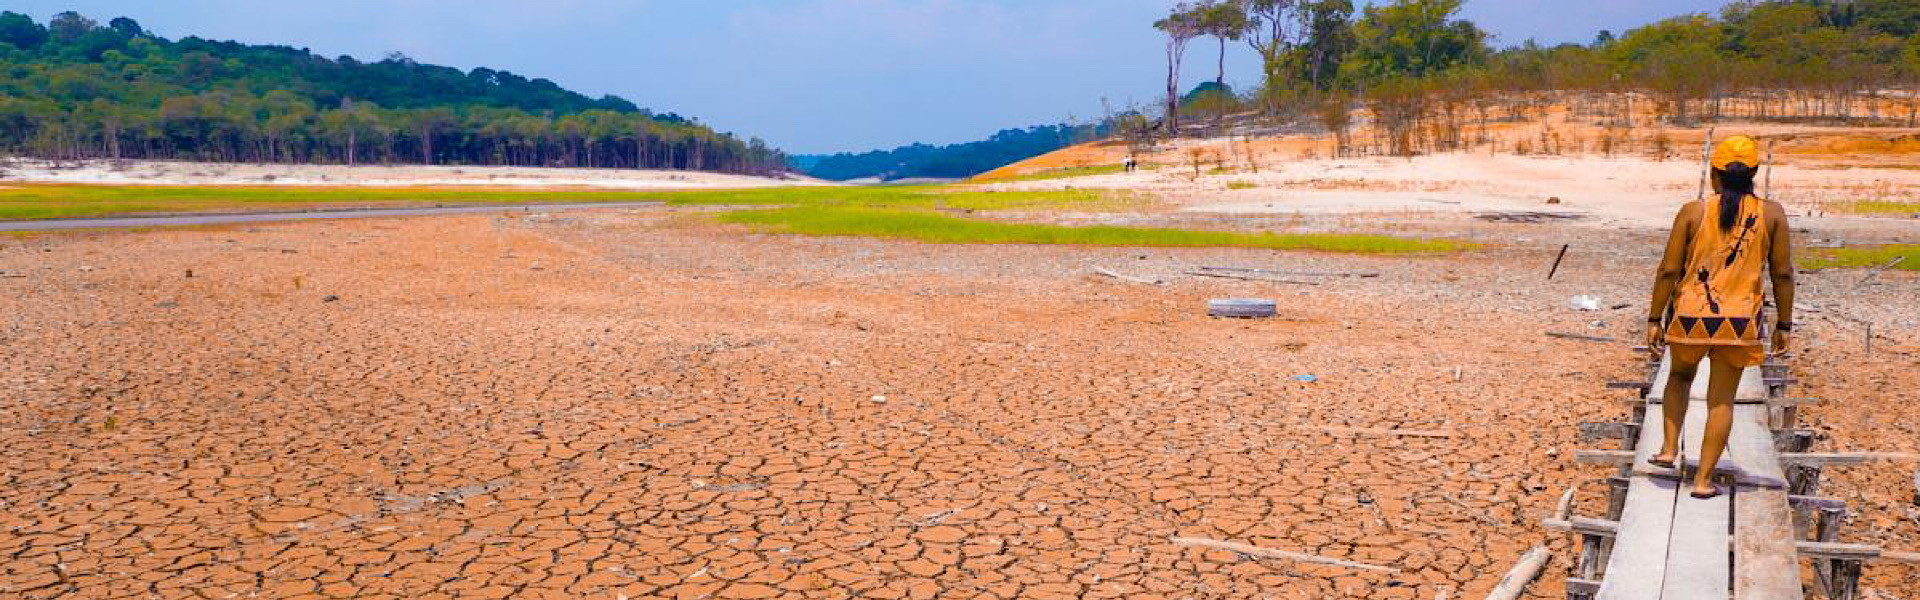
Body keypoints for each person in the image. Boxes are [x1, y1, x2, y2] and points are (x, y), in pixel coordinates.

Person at [1644, 135, 1795, 499]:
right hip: (1739, 323)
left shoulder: (1693, 211)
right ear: (1754, 173)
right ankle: (1702, 481)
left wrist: (1653, 318)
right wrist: (1784, 324)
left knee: (1679, 377)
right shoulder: (1771, 214)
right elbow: (1783, 274)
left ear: (1715, 174)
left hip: (1691, 316)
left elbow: (1668, 270)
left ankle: (1668, 449)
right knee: (1721, 401)